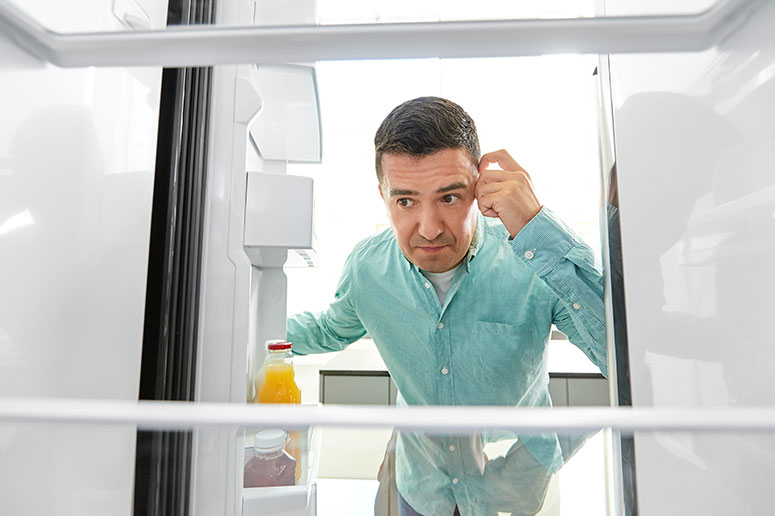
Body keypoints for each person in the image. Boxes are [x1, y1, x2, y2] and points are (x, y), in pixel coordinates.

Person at [287, 97, 607, 516]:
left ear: (479, 187)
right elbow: (329, 329)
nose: (430, 227)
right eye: (405, 201)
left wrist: (536, 225)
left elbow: (625, 362)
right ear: (383, 196)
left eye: (450, 198)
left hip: (515, 483)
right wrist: (239, 330)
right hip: (421, 483)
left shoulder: (532, 258)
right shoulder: (368, 267)